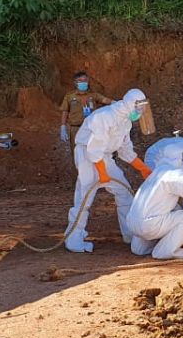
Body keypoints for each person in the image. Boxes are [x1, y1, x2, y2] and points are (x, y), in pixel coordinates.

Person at [64, 88, 153, 253]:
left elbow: (125, 150)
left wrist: (143, 169)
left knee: (124, 191)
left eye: (142, 108)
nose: (140, 111)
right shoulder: (105, 117)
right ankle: (74, 239)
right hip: (86, 154)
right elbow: (94, 148)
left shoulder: (125, 121)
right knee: (85, 196)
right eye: (138, 107)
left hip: (104, 156)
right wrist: (102, 173)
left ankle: (130, 234)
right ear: (129, 104)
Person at [127, 141, 183, 260]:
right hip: (150, 225)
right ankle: (165, 252)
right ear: (178, 158)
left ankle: (140, 248)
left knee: (174, 210)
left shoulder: (158, 171)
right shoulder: (173, 174)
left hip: (133, 224)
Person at [58, 71, 114, 152]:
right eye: (80, 81)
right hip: (76, 129)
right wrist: (63, 127)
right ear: (75, 83)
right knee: (77, 152)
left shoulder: (93, 95)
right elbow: (65, 111)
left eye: (85, 80)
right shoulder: (69, 96)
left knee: (92, 151)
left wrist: (115, 103)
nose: (83, 83)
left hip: (91, 128)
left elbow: (104, 100)